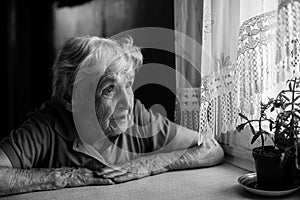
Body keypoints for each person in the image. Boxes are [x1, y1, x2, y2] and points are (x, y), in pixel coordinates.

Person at [0, 36, 224, 196]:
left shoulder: (136, 115)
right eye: (109, 90)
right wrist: (66, 177)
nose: (127, 102)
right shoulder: (47, 125)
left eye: (127, 85)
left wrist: (151, 164)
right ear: (71, 100)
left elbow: (210, 148)